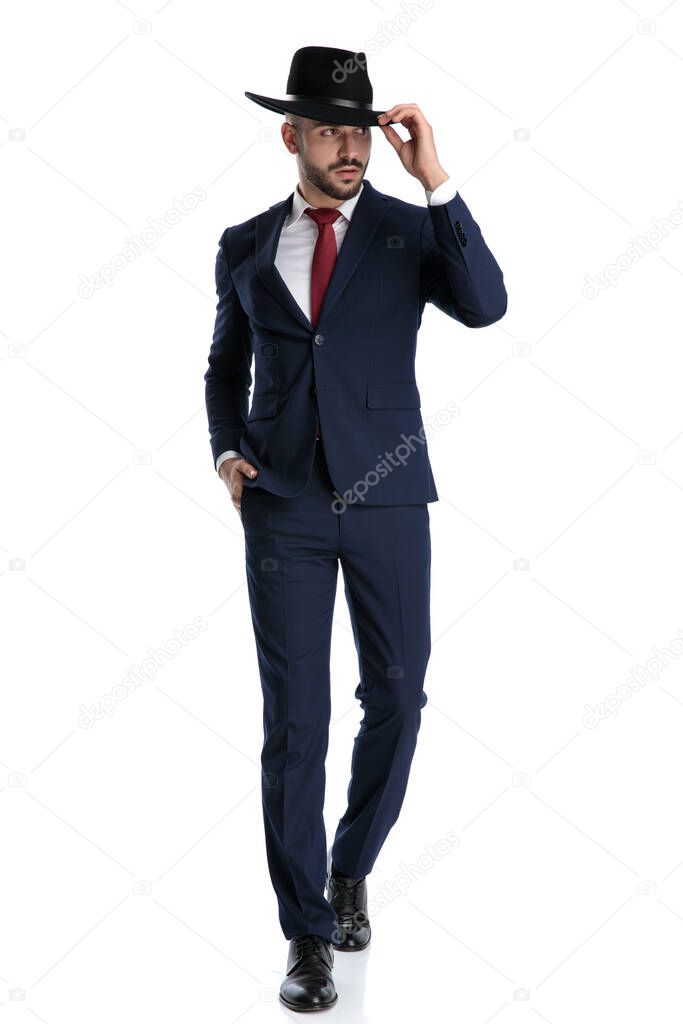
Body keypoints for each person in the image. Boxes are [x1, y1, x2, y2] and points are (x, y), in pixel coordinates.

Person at [204, 45, 507, 1012]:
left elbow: (487, 305)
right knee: (295, 727)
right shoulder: (245, 242)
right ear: (291, 135)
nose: (348, 146)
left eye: (359, 128)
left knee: (401, 697)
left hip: (385, 496)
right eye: (329, 129)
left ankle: (349, 868)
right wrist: (225, 450)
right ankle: (305, 935)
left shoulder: (403, 229)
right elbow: (222, 365)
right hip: (284, 508)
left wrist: (436, 182)